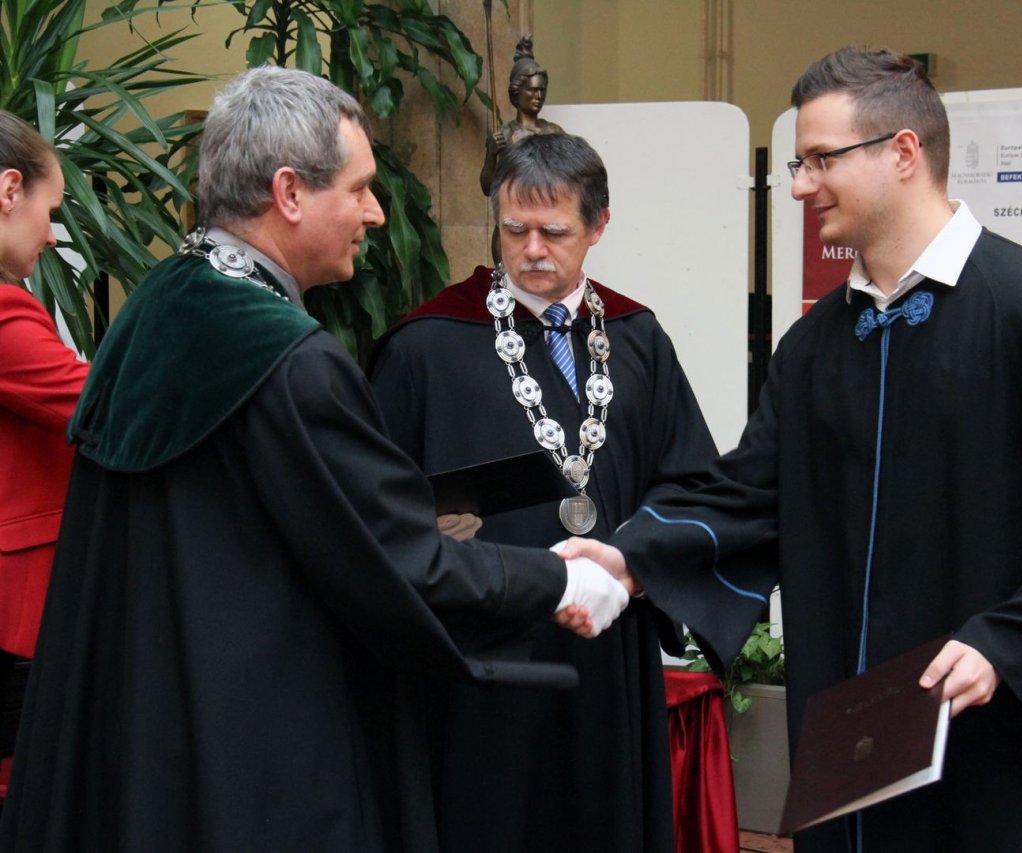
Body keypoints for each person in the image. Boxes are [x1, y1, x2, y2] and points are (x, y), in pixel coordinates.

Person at [564, 47, 1022, 852]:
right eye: (799, 163)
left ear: (903, 152)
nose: (799, 186)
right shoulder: (815, 346)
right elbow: (748, 496)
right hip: (858, 755)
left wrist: (1007, 643)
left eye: (821, 159)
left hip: (1006, 748)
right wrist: (630, 556)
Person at [0, 67, 629, 853]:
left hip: (146, 747)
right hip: (261, 763)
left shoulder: (157, 307)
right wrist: (560, 578)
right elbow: (398, 560)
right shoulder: (289, 359)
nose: (376, 211)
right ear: (290, 192)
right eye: (359, 188)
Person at [369, 131, 727, 853]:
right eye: (515, 230)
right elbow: (374, 507)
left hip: (608, 649)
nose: (532, 250)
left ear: (598, 226)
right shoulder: (425, 345)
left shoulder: (637, 337)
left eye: (554, 232)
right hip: (485, 659)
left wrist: (632, 566)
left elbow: (693, 482)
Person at [0, 110, 89, 784]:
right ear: (10, 190)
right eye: (49, 210)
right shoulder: (5, 311)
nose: (52, 234)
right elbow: (98, 404)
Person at [478, 35, 565, 197]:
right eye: (532, 90)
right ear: (517, 91)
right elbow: (488, 189)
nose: (539, 96)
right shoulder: (505, 134)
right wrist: (491, 155)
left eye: (542, 90)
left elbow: (569, 175)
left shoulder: (554, 131)